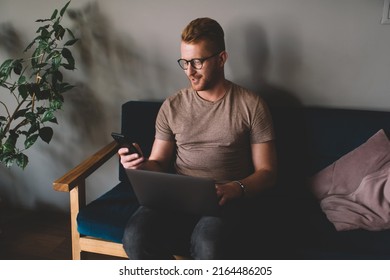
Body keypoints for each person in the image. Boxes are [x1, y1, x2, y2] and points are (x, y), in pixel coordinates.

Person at [119, 17, 277, 260]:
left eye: (197, 62)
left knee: (207, 243)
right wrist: (140, 166)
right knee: (134, 237)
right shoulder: (172, 106)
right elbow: (158, 163)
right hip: (176, 196)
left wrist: (236, 188)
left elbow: (267, 172)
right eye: (185, 62)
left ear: (221, 59)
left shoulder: (251, 105)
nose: (189, 72)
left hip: (225, 198)